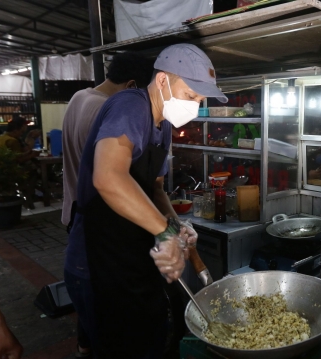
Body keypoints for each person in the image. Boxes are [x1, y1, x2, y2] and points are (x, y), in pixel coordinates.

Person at [66, 43, 227, 358]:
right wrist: (163, 233)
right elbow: (108, 177)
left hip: (129, 253)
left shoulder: (163, 124)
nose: (195, 107)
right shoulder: (130, 104)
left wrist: (174, 225)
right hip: (96, 258)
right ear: (164, 81)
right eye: (191, 96)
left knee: (147, 340)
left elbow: (154, 188)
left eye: (200, 100)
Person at [61, 52, 154, 358]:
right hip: (100, 231)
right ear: (131, 86)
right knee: (111, 326)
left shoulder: (79, 98)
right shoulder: (113, 109)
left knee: (91, 318)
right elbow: (112, 178)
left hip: (75, 217)